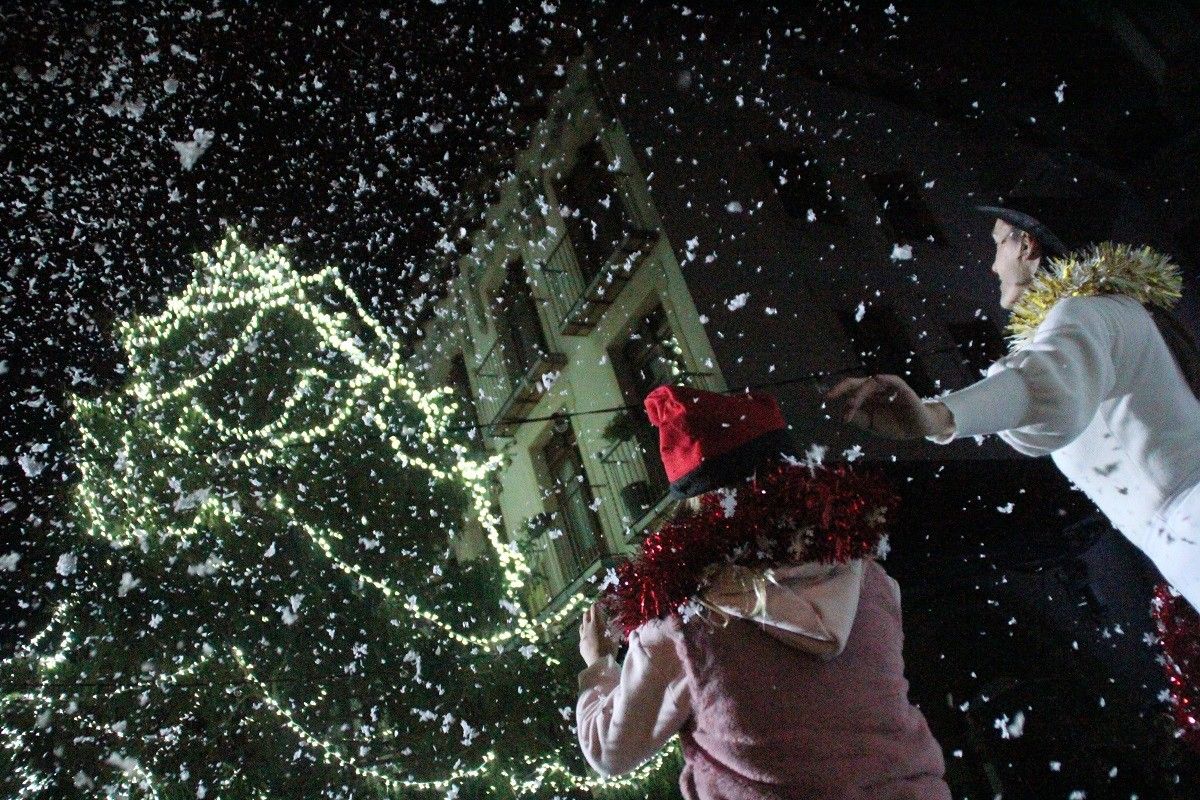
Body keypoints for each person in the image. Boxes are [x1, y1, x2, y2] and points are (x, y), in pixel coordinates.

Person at [574, 384, 950, 800]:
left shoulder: (688, 623)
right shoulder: (871, 580)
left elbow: (610, 750)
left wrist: (599, 664)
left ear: (696, 508)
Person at [826, 199, 1200, 609]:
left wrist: (937, 416)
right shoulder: (1115, 314)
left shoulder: (1084, 312)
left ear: (1027, 248)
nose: (992, 266)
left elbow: (1045, 388)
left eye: (998, 243)